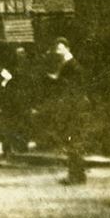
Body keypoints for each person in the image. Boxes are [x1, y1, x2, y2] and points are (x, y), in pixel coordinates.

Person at [47, 37, 90, 185]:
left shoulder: (72, 66)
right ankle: (78, 175)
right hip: (72, 106)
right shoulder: (67, 65)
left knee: (74, 141)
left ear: (67, 48)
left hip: (74, 108)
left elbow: (72, 87)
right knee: (73, 141)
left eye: (60, 49)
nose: (58, 52)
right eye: (56, 49)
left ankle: (75, 176)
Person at [0, 47, 31, 160]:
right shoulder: (12, 69)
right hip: (11, 102)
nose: (20, 56)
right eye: (18, 54)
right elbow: (4, 85)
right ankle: (8, 150)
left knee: (21, 125)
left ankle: (21, 148)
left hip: (21, 102)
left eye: (22, 53)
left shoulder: (25, 70)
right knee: (9, 126)